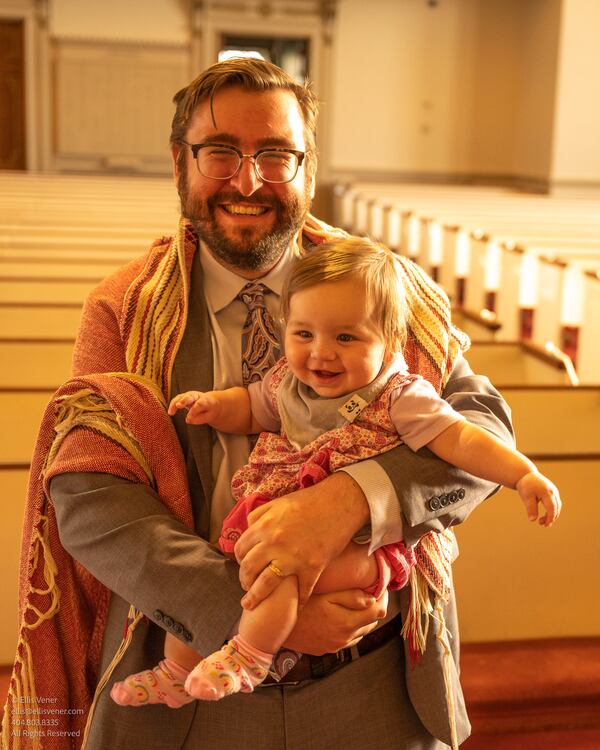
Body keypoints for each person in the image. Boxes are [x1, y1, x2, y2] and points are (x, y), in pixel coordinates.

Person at [3, 57, 537, 750]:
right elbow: (89, 497)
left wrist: (353, 498)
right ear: (179, 163)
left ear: (307, 169)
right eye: (220, 153)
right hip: (187, 686)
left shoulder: (384, 287)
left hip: (370, 680)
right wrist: (247, 614)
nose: (248, 180)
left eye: (276, 155)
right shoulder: (123, 309)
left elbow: (481, 428)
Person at [109, 237, 560, 708]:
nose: (321, 353)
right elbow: (252, 407)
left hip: (361, 547)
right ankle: (176, 672)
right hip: (271, 518)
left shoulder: (401, 396)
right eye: (304, 335)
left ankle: (250, 656)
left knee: (281, 569)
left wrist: (523, 475)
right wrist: (212, 404)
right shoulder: (289, 381)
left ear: (389, 340)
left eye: (345, 338)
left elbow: (464, 438)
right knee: (231, 569)